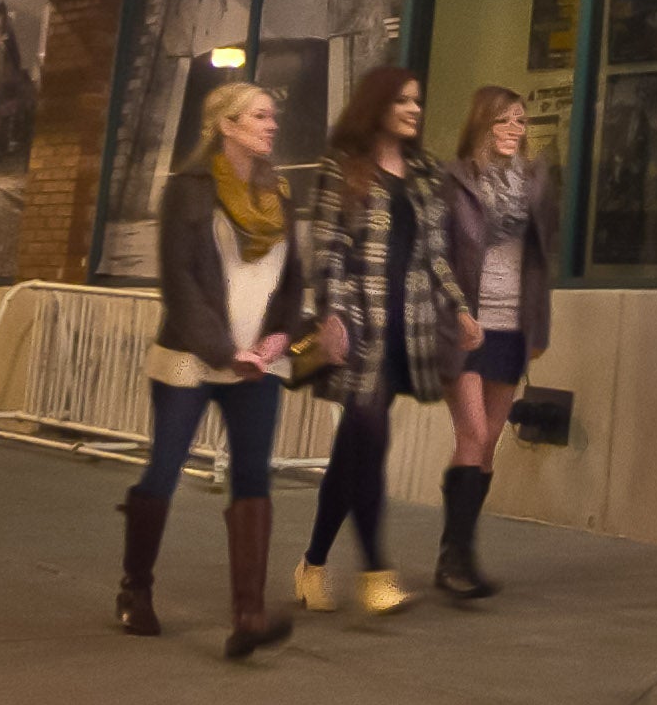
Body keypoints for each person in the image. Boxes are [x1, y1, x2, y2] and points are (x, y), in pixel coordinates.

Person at [130, 79, 307, 659]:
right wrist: (224, 350)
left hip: (258, 361)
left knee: (253, 477)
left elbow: (292, 279)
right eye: (259, 116)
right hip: (191, 355)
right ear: (227, 125)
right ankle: (136, 587)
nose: (272, 125)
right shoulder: (188, 190)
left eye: (272, 116)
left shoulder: (280, 192)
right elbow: (179, 281)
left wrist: (280, 336)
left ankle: (248, 616)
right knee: (165, 469)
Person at [292, 63, 472, 616]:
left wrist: (460, 307)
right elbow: (327, 251)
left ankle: (313, 564)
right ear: (378, 105)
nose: (415, 110)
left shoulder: (424, 172)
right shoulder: (341, 165)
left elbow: (435, 254)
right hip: (358, 324)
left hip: (406, 328)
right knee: (369, 438)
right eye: (403, 101)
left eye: (418, 101)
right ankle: (374, 572)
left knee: (355, 449)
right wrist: (333, 316)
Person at [440, 85, 557, 601]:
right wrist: (452, 312)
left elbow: (543, 261)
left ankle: (458, 552)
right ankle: (455, 560)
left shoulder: (533, 184)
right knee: (473, 433)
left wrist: (539, 328)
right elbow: (437, 254)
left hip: (512, 322)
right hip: (465, 321)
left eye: (521, 121)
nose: (514, 130)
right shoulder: (454, 180)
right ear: (482, 124)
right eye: (503, 120)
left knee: (489, 442)